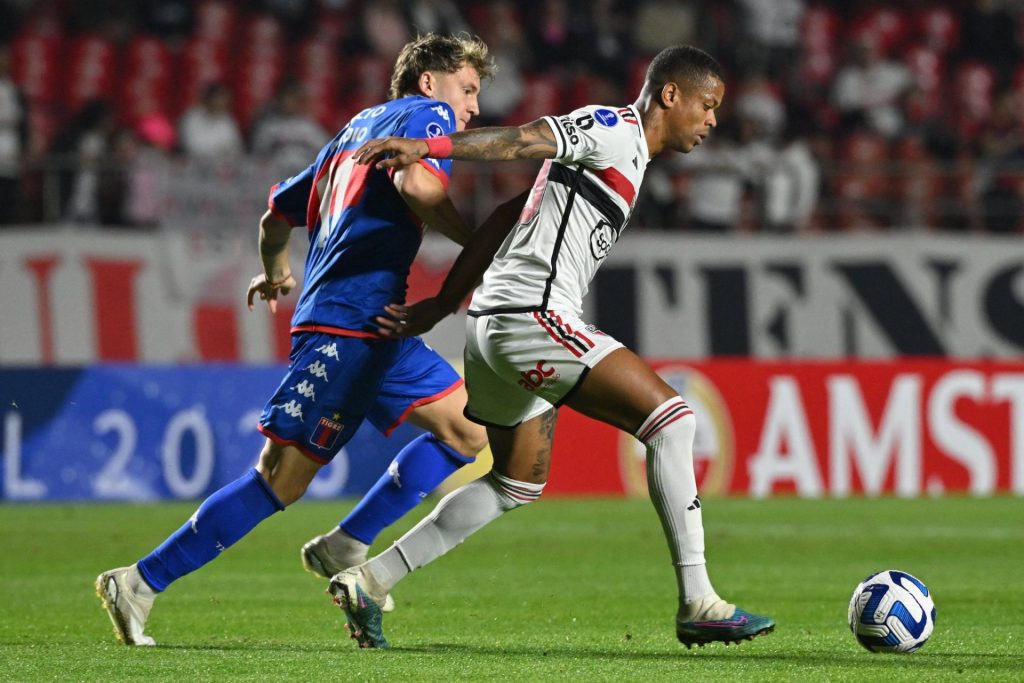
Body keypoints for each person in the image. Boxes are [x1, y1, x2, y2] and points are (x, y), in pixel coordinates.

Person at [331, 44, 775, 650]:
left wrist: (443, 302)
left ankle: (370, 578)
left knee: (515, 483)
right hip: (530, 316)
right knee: (673, 421)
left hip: (492, 324)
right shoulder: (614, 129)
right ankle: (699, 600)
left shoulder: (631, 161)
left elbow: (509, 216)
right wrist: (427, 147)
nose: (713, 120)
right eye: (708, 104)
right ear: (671, 95)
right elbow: (521, 139)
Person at [95, 33, 522, 646]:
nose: (473, 108)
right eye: (469, 89)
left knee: (468, 430)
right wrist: (476, 242)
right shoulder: (426, 119)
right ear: (429, 82)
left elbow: (275, 216)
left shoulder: (349, 133)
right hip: (349, 323)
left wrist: (275, 271)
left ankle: (346, 543)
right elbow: (417, 188)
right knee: (281, 479)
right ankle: (138, 581)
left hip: (380, 324)